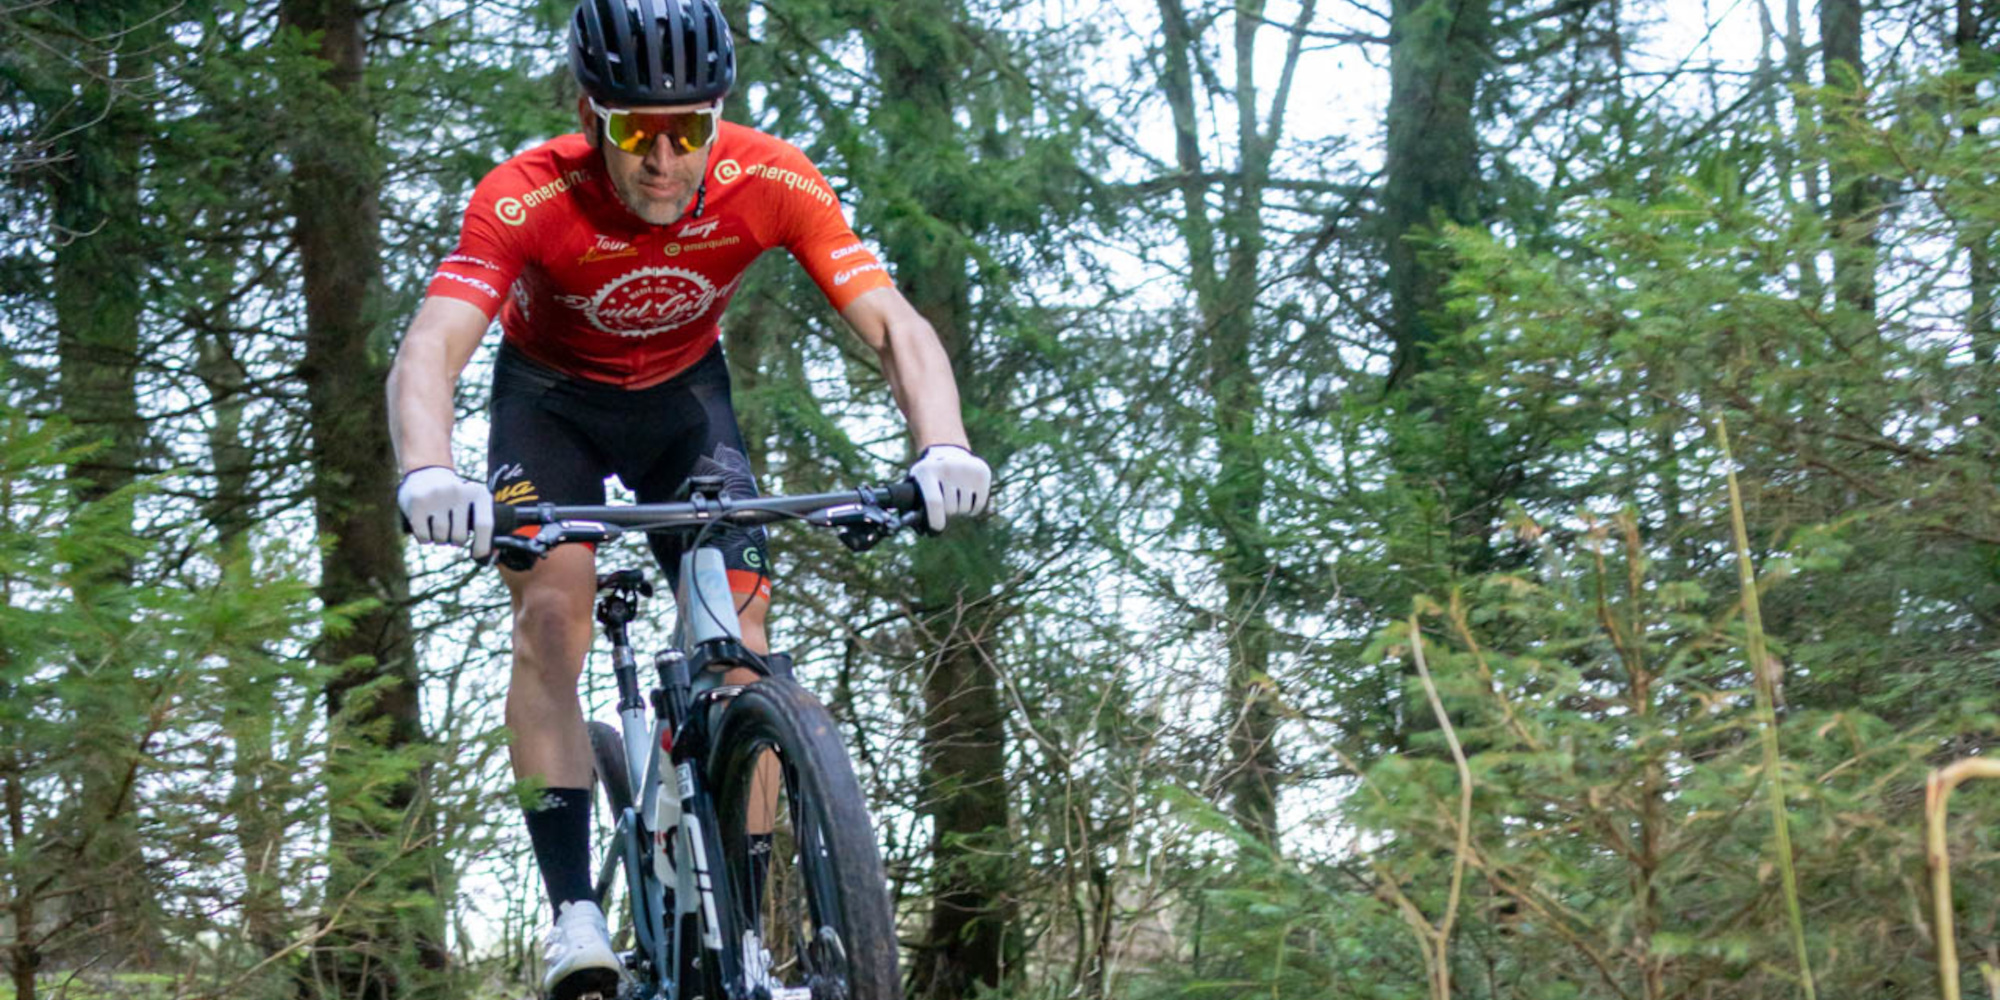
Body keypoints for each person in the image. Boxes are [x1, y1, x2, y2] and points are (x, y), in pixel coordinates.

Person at [384, 0, 991, 996]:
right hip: (551, 410)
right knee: (549, 614)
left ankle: (740, 928)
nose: (662, 159)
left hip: (684, 410)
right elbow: (433, 344)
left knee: (741, 647)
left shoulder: (771, 178)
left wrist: (943, 445)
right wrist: (426, 469)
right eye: (634, 130)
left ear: (719, 116)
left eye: (688, 130)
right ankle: (574, 908)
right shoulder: (526, 193)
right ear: (592, 116)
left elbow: (890, 324)